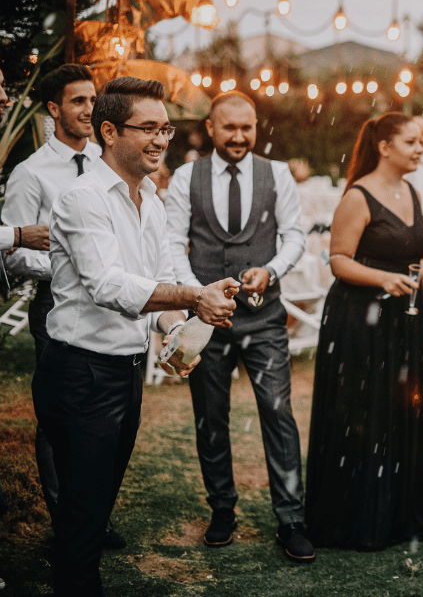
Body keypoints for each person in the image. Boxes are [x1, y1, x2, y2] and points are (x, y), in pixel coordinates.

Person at [33, 76, 237, 596]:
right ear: (108, 131)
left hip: (124, 374)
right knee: (82, 523)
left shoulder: (151, 195)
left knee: (96, 511)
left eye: (165, 128)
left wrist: (180, 330)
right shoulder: (82, 198)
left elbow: (168, 268)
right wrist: (193, 299)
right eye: (147, 128)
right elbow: (109, 286)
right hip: (79, 374)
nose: (160, 140)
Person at [163, 92, 312, 562]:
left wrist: (270, 270)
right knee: (210, 417)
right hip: (207, 323)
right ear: (211, 127)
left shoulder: (279, 174)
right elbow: (171, 243)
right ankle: (222, 509)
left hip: (265, 318)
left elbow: (295, 236)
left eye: (247, 127)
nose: (240, 137)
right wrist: (197, 296)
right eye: (230, 128)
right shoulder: (186, 177)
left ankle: (291, 519)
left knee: (277, 412)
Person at [1, 63, 131, 549]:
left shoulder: (107, 161)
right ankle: (66, 519)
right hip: (57, 304)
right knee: (62, 416)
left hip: (114, 300)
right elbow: (13, 256)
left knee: (110, 419)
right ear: (53, 108)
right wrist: (73, 266)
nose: (89, 109)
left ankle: (91, 514)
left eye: (93, 99)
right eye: (78, 101)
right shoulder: (30, 173)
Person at [305, 112, 423, 550]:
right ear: (384, 147)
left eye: (421, 141)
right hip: (360, 319)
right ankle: (359, 515)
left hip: (405, 316)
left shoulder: (411, 190)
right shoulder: (358, 196)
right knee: (366, 414)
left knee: (404, 409)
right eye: (411, 142)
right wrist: (382, 278)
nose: (420, 148)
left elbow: (417, 245)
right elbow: (339, 260)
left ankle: (401, 512)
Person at [0, 46, 50, 593]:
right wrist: (18, 236)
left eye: (2, 86)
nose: (3, 97)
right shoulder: (33, 172)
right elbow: (11, 240)